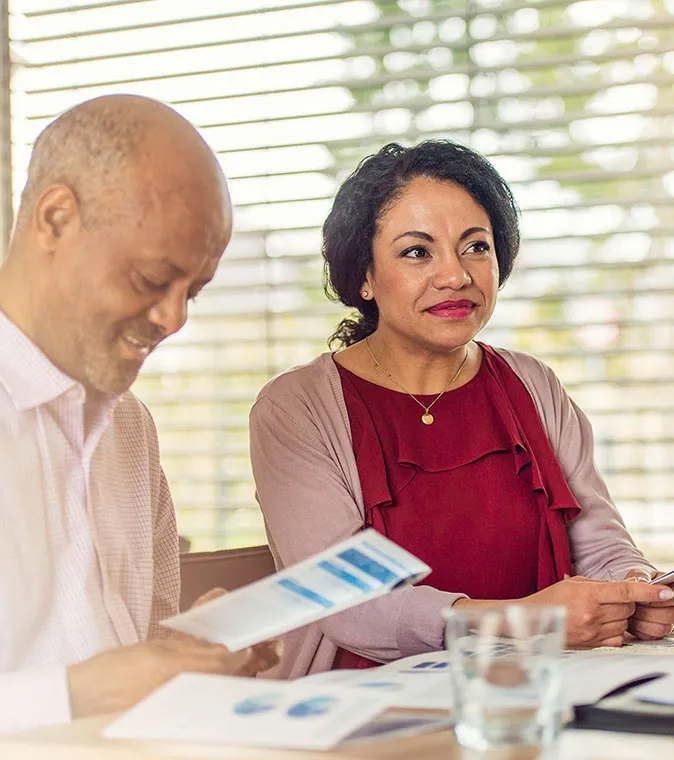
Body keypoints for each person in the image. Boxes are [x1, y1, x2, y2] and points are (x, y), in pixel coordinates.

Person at [250, 140, 674, 679]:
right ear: (364, 276)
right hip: (360, 712)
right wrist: (527, 621)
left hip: (531, 696)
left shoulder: (534, 385)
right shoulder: (296, 409)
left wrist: (636, 590)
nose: (456, 276)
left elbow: (600, 546)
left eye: (476, 246)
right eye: (416, 251)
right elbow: (351, 608)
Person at [0, 94, 277, 733]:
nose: (175, 319)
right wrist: (79, 693)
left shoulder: (130, 428)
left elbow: (135, 640)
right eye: (154, 279)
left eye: (195, 291)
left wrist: (188, 648)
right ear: (56, 218)